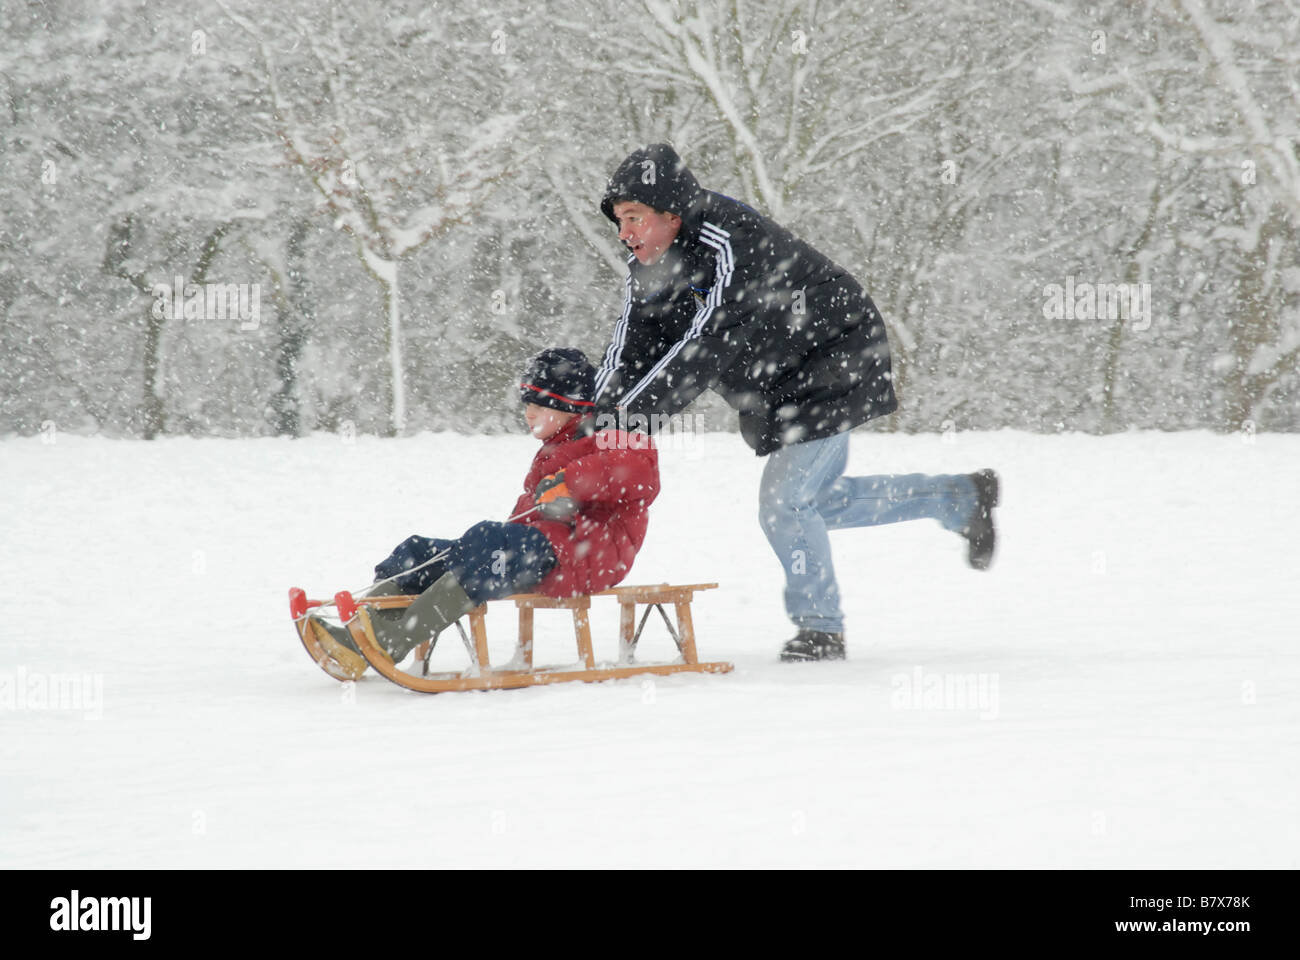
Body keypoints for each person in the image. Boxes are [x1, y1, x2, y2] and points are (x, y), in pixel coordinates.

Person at [591, 143, 999, 663]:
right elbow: (629, 348)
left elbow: (704, 347)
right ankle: (959, 498)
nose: (624, 233)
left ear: (671, 213)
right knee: (817, 502)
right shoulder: (647, 266)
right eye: (619, 220)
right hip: (778, 381)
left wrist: (633, 422)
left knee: (784, 503)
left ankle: (820, 629)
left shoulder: (730, 242)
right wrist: (597, 419)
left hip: (833, 355)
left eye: (634, 217)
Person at [303, 347, 660, 679]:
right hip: (546, 549)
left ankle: (390, 641)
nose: (528, 413)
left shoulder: (610, 434)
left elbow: (641, 471)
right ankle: (360, 634)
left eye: (539, 404)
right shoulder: (554, 449)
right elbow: (528, 518)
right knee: (420, 553)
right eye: (526, 403)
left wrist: (570, 481)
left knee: (487, 544)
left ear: (568, 406)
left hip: (587, 557)